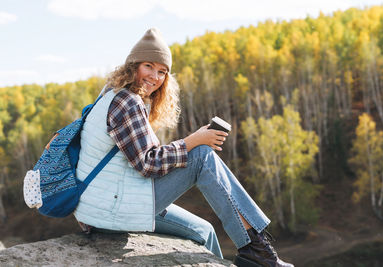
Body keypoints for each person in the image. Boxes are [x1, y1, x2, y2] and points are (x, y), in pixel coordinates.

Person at [74, 28, 294, 267]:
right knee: (201, 156)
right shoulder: (127, 102)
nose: (155, 77)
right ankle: (256, 250)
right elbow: (148, 164)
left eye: (162, 71)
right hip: (111, 208)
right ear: (133, 66)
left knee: (204, 230)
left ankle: (254, 250)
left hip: (105, 203)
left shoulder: (110, 94)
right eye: (148, 66)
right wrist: (194, 140)